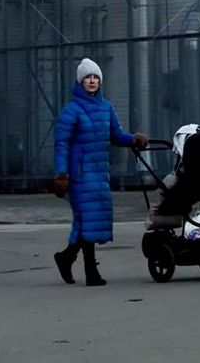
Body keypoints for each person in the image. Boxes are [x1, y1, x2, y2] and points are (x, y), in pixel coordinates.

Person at [52, 58, 148, 286]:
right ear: (80, 81)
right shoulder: (72, 111)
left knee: (88, 220)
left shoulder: (107, 108)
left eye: (95, 77)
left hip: (99, 173)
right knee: (87, 219)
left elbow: (116, 135)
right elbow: (62, 144)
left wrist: (134, 139)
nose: (92, 81)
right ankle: (90, 272)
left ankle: (65, 258)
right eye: (88, 77)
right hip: (79, 174)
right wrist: (61, 174)